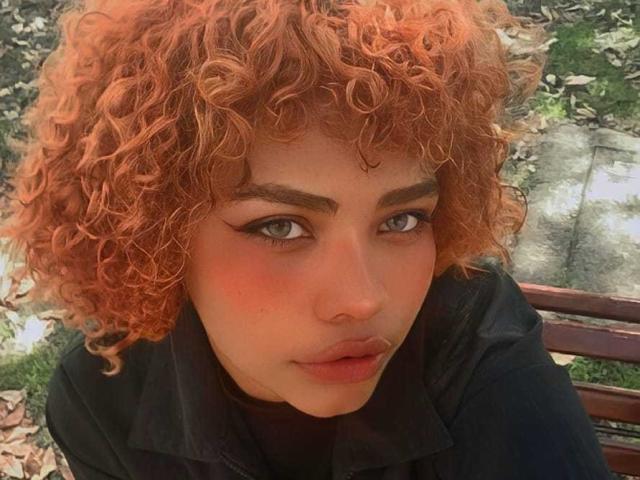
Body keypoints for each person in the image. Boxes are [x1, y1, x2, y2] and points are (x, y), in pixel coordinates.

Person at [0, 0, 614, 479]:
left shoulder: (478, 351)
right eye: (281, 227)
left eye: (402, 220)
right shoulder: (104, 399)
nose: (362, 299)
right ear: (155, 233)